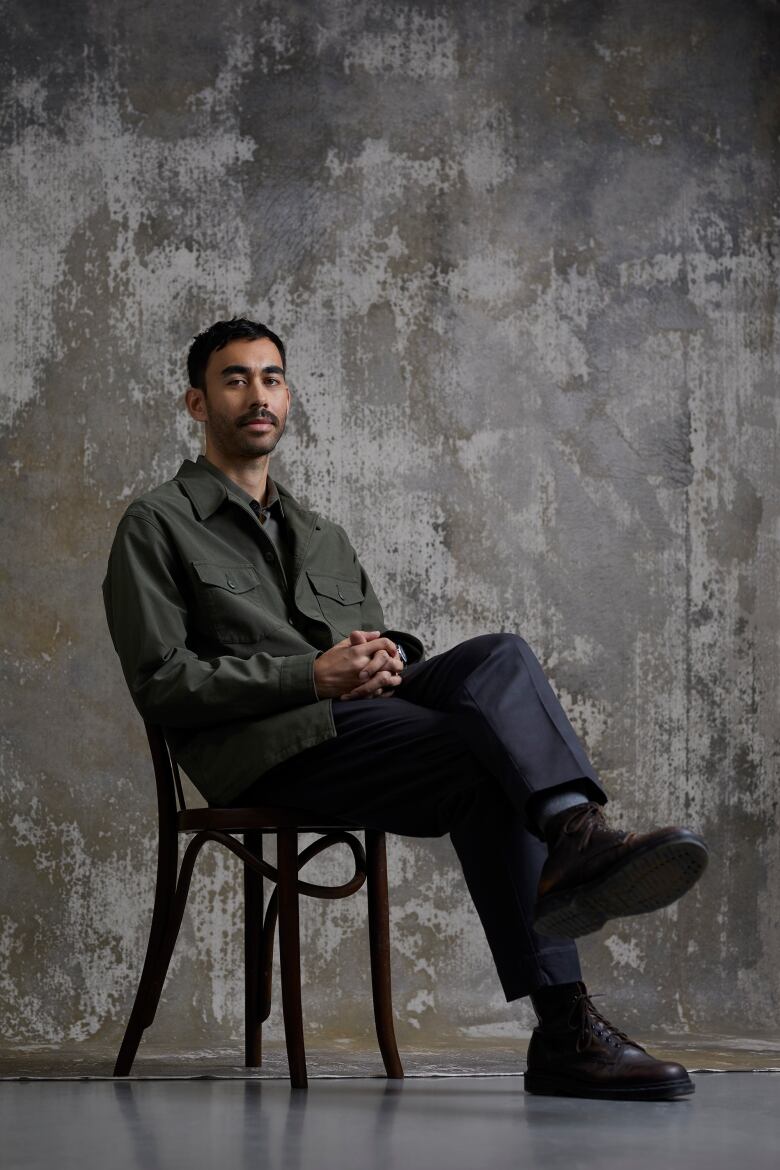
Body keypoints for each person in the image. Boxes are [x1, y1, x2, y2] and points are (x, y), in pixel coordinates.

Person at [102, 317, 709, 1101]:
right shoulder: (156, 524)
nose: (259, 395)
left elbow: (364, 643)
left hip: (355, 726)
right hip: (263, 751)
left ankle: (573, 833)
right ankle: (565, 1019)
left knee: (501, 657)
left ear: (287, 397)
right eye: (236, 378)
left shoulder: (321, 535)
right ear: (196, 401)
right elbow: (161, 682)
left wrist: (388, 659)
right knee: (483, 752)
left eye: (272, 378)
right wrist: (309, 677)